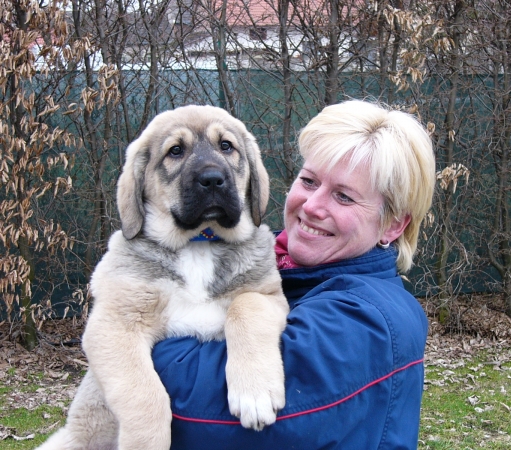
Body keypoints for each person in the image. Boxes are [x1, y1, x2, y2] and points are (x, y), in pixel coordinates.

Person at [152, 99, 436, 449]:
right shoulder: (268, 265)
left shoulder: (368, 320)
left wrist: (131, 336)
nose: (313, 206)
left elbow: (208, 419)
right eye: (309, 180)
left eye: (344, 197)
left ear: (392, 225)